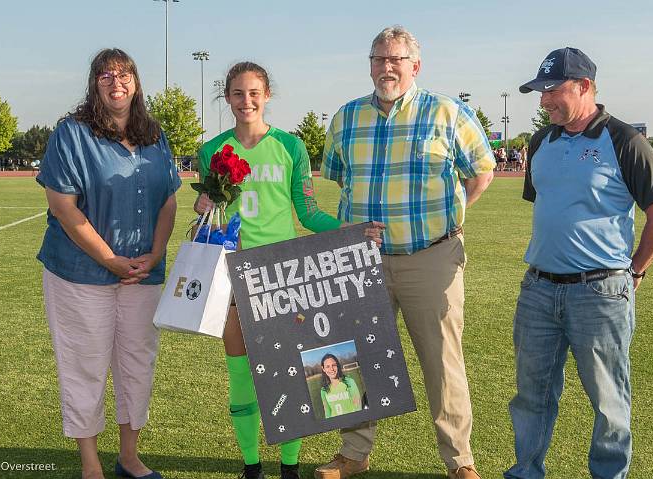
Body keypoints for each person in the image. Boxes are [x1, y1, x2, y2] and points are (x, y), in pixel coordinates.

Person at [317, 26, 495, 479]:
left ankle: (460, 461)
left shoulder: (448, 111)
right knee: (353, 357)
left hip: (430, 257)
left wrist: (451, 217)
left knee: (441, 362)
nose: (387, 67)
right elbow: (339, 177)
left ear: (415, 66)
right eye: (379, 59)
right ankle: (353, 453)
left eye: (396, 60)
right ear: (370, 66)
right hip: (361, 262)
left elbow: (481, 172)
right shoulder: (346, 117)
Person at [193, 61, 383, 479]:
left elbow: (309, 213)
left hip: (282, 276)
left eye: (255, 93)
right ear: (227, 97)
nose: (247, 101)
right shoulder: (212, 150)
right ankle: (250, 466)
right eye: (238, 93)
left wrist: (349, 229)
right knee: (241, 372)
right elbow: (207, 213)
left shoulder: (291, 146)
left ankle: (290, 467)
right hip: (233, 272)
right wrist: (203, 206)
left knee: (289, 375)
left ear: (267, 96)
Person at [505, 47, 653, 479]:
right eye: (540, 92)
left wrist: (635, 270)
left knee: (608, 399)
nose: (543, 101)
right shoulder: (541, 142)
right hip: (538, 289)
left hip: (600, 292)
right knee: (531, 395)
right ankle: (526, 471)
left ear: (583, 87)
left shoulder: (623, 140)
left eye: (551, 90)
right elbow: (548, 206)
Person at [37, 48, 180, 479]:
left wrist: (154, 253)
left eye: (125, 74)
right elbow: (63, 206)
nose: (116, 82)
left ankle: (129, 457)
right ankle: (90, 465)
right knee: (86, 365)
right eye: (106, 75)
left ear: (136, 82)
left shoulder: (155, 135)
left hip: (143, 275)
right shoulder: (71, 133)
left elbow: (169, 200)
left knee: (137, 363)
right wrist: (110, 260)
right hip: (81, 275)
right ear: (94, 83)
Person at [320, 353, 362, 418]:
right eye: (327, 366)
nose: (332, 369)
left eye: (333, 365)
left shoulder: (349, 382)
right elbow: (327, 412)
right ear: (323, 369)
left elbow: (358, 407)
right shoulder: (324, 390)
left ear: (337, 366)